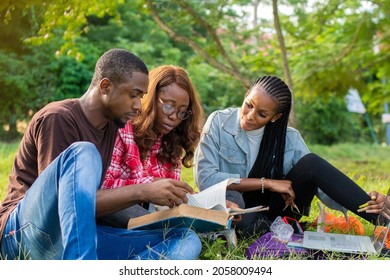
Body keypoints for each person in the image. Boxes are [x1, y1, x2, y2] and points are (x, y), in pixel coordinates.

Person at [0, 48, 201, 260]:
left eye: (141, 97)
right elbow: (61, 205)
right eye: (133, 95)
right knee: (84, 152)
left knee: (185, 239)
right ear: (105, 86)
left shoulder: (111, 128)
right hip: (24, 234)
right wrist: (143, 191)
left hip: (74, 238)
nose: (139, 106)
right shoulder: (58, 117)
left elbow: (85, 204)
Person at [194, 75, 380, 238]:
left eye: (262, 114)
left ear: (275, 117)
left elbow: (322, 185)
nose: (250, 116)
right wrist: (265, 182)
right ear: (246, 95)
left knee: (311, 163)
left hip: (278, 211)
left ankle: (383, 220)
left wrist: (365, 200)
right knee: (234, 200)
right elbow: (206, 178)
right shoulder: (219, 122)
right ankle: (278, 234)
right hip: (238, 210)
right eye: (249, 105)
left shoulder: (289, 138)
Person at [98, 65, 204, 227]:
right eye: (168, 106)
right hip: (115, 206)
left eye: (182, 112)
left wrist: (200, 203)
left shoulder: (171, 140)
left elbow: (167, 195)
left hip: (147, 208)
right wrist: (151, 184)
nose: (174, 117)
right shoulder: (122, 128)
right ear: (149, 99)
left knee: (174, 225)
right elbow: (104, 188)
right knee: (160, 225)